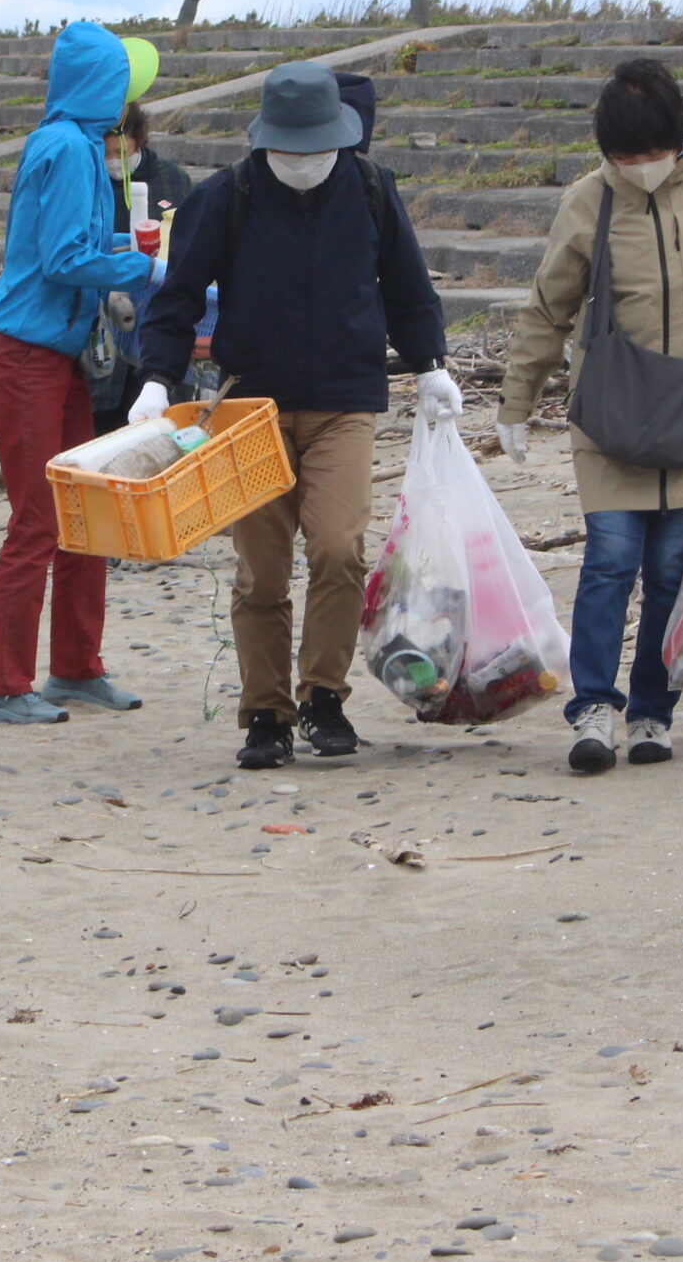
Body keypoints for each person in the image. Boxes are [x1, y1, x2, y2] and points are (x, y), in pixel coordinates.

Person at [135, 63, 456, 772]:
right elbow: (177, 297)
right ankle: (266, 713)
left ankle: (324, 696)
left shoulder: (371, 189)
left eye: (316, 147)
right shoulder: (227, 195)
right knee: (261, 570)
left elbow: (409, 289)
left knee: (340, 547)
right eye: (289, 148)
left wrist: (430, 363)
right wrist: (156, 379)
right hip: (251, 406)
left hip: (345, 399)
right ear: (265, 139)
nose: (303, 159)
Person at [496, 58, 683, 774]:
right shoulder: (588, 202)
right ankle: (592, 707)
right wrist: (517, 401)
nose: (639, 169)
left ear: (679, 139)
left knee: (671, 570)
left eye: (651, 154)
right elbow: (548, 307)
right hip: (612, 415)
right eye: (623, 158)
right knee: (609, 560)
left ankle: (652, 712)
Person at [0, 23, 163, 727]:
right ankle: (5, 686)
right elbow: (62, 259)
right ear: (104, 87)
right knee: (37, 519)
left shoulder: (71, 140)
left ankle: (77, 667)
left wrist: (128, 254)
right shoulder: (69, 147)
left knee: (85, 506)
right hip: (25, 350)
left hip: (51, 349)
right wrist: (146, 268)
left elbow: (72, 246)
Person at [86, 102, 194, 438]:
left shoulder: (173, 180)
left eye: (120, 152)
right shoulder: (88, 182)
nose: (113, 161)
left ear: (137, 140)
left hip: (158, 315)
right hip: (104, 319)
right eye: (105, 154)